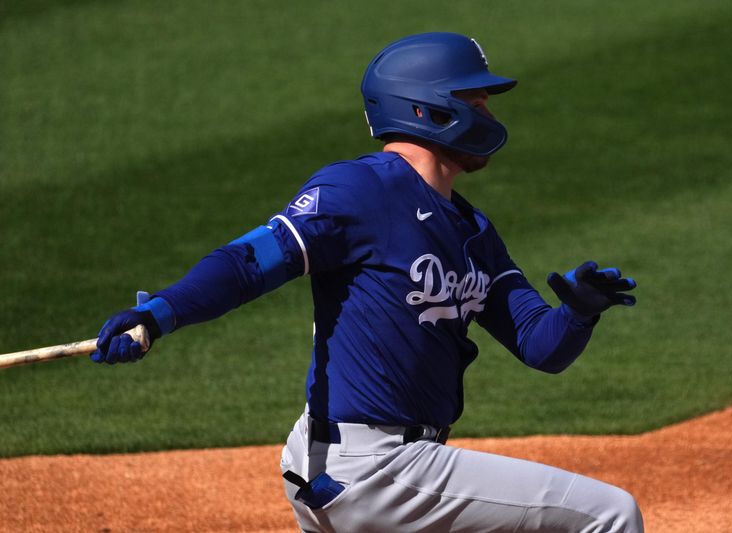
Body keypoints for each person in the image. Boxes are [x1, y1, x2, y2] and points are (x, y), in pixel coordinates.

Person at [92, 32, 643, 532]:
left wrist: (579, 312)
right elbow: (247, 262)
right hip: (375, 468)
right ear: (428, 108)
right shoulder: (361, 190)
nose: (488, 112)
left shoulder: (473, 230)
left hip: (365, 474)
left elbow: (539, 345)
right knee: (611, 514)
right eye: (475, 99)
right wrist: (157, 314)